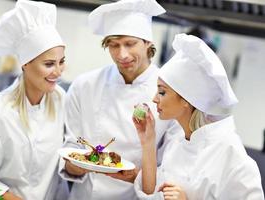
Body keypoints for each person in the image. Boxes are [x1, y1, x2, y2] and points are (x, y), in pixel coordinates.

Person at [60, 0, 181, 199]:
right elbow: (70, 151)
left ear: (148, 43)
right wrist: (77, 165)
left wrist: (136, 177)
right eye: (114, 45)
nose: (122, 54)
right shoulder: (85, 86)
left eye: (130, 44)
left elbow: (170, 170)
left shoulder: (170, 95)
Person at [133, 33, 264, 200]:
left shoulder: (228, 151)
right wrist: (148, 142)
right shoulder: (178, 141)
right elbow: (153, 194)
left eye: (162, 92)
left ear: (187, 100)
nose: (154, 99)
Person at [0, 0, 69, 199]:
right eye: (49, 64)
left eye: (61, 61)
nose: (58, 72)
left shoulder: (59, 98)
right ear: (25, 65)